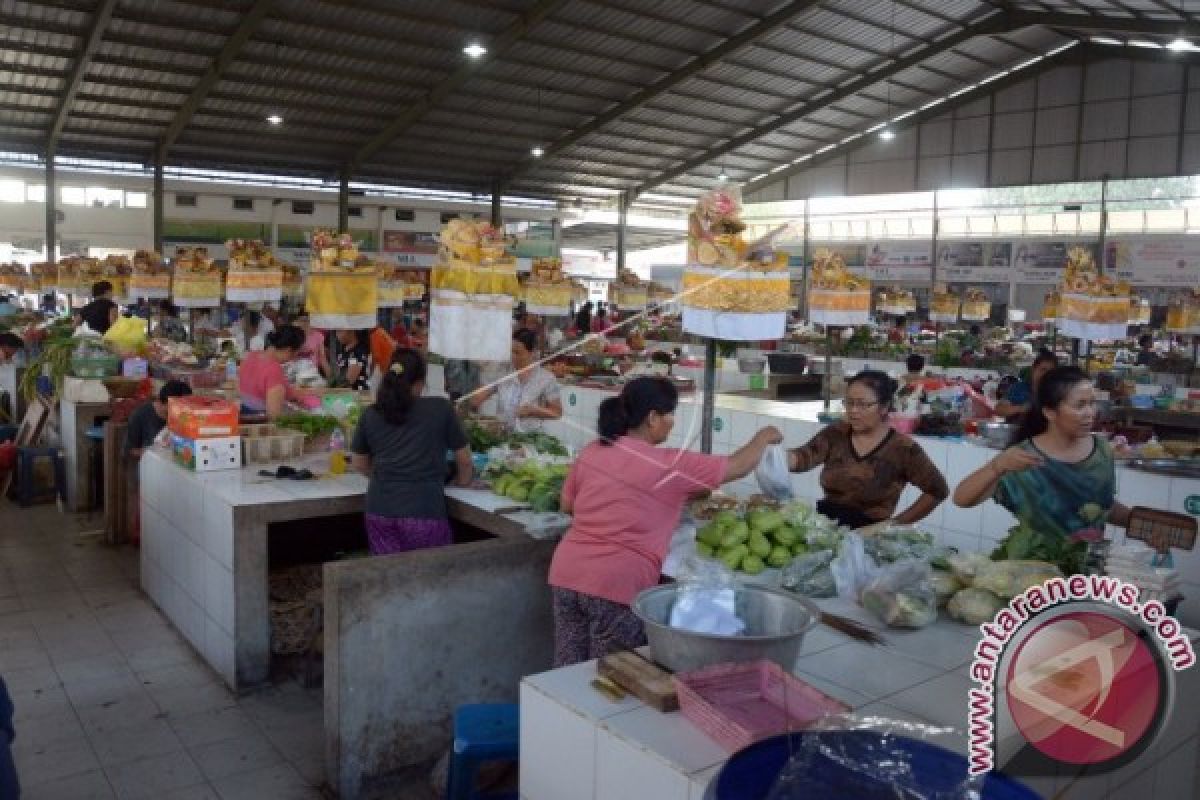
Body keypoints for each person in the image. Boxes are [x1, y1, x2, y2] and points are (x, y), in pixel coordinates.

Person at [548, 377, 782, 665]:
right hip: (615, 584)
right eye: (670, 414)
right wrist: (764, 437)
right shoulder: (667, 463)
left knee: (567, 671)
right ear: (652, 418)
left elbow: (567, 505)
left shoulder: (595, 450)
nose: (672, 422)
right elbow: (738, 466)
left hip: (566, 574)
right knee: (612, 677)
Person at [953, 366, 1131, 557]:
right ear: (1050, 412)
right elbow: (962, 499)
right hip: (1031, 573)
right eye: (1080, 405)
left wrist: (1138, 521)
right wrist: (997, 466)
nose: (1090, 413)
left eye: (1092, 403)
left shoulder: (1102, 451)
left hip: (1085, 577)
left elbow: (1102, 506)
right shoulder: (1022, 458)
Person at [787, 370, 948, 528]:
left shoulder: (902, 448)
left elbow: (938, 490)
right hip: (826, 527)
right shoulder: (836, 434)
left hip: (870, 534)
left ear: (884, 407)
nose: (853, 411)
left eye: (863, 404)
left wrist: (893, 525)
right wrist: (770, 451)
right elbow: (802, 458)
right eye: (849, 403)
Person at [350, 348, 472, 555]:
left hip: (379, 509)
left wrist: (387, 475)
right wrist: (463, 482)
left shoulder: (371, 413)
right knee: (429, 576)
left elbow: (359, 463)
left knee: (389, 575)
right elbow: (465, 460)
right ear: (421, 381)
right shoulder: (440, 408)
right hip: (423, 511)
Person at [467, 330, 562, 432]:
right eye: (511, 351)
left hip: (531, 436)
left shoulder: (546, 378)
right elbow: (480, 395)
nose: (513, 356)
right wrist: (470, 402)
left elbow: (556, 412)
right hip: (503, 434)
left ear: (532, 352)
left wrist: (534, 410)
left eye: (518, 353)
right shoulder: (502, 371)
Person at [238, 324, 304, 418]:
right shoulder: (273, 369)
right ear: (288, 350)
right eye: (295, 355)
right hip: (259, 422)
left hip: (244, 415)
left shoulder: (251, 356)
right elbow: (274, 415)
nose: (293, 359)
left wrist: (297, 395)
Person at [125, 380, 193, 458]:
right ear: (160, 402)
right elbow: (130, 451)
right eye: (174, 408)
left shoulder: (185, 416)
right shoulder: (140, 415)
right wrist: (154, 452)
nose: (179, 413)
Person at [995, 349, 1059, 421]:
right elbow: (999, 409)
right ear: (1033, 369)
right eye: (1043, 369)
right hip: (1016, 430)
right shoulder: (1019, 388)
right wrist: (1021, 408)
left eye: (1050, 371)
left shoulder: (1056, 392)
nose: (1045, 374)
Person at [293, 311, 330, 378]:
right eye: (302, 321)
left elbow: (322, 358)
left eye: (307, 321)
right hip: (295, 372)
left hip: (312, 372)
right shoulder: (293, 335)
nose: (304, 324)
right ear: (297, 321)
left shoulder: (318, 336)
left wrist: (331, 378)